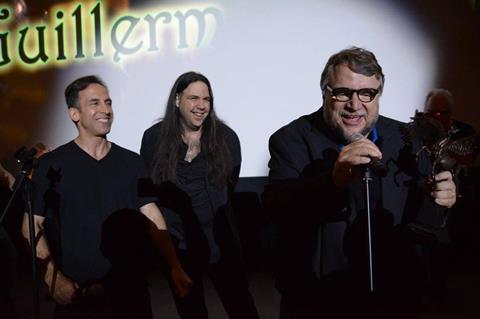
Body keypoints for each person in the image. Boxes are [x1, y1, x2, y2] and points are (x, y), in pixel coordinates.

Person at [264, 47, 457, 319]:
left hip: (396, 297)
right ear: (325, 93)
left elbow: (423, 223)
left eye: (367, 93)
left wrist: (440, 202)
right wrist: (333, 180)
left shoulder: (407, 139)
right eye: (343, 92)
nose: (355, 105)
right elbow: (278, 208)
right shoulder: (290, 140)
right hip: (319, 300)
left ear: (378, 95)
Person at [21, 75, 191, 319]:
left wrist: (174, 265)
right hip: (78, 293)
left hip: (130, 294)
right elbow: (30, 224)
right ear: (74, 114)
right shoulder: (51, 165)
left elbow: (152, 214)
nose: (106, 110)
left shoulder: (132, 162)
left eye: (108, 102)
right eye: (95, 103)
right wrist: (53, 278)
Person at [140, 71, 259, 319]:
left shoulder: (226, 138)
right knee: (192, 312)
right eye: (194, 98)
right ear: (177, 100)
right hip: (179, 246)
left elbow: (230, 184)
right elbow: (153, 189)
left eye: (207, 99)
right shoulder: (154, 139)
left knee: (242, 309)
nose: (201, 106)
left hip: (221, 242)